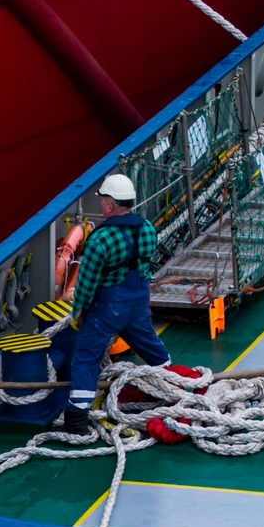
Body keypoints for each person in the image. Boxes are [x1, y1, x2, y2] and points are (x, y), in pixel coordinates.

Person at [56, 173, 171, 431]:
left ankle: (77, 417)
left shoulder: (100, 239)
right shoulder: (148, 229)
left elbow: (87, 282)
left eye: (102, 201)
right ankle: (173, 384)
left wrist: (78, 313)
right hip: (138, 301)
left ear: (109, 205)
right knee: (150, 344)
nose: (101, 206)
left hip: (108, 307)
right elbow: (144, 267)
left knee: (86, 356)